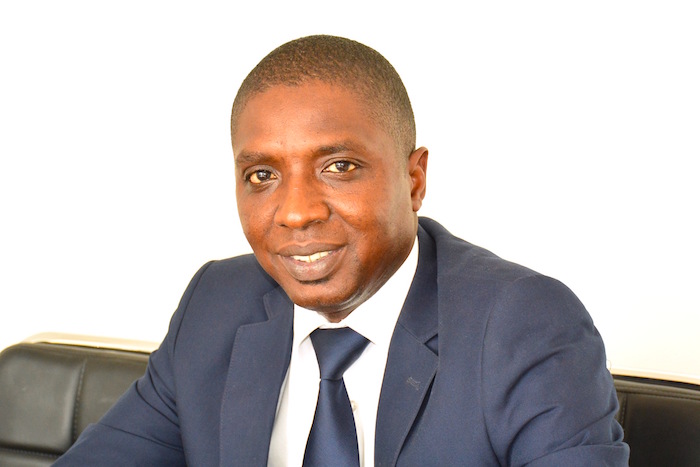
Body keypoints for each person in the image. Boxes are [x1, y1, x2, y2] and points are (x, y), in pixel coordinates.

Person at [55, 35, 629, 466]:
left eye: (339, 166)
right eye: (261, 175)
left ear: (413, 180)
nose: (295, 212)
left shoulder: (524, 324)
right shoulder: (216, 303)